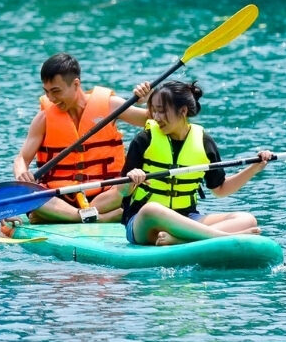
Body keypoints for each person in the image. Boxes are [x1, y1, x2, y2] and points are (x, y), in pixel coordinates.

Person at [108, 80, 274, 246]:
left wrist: (255, 168)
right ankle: (221, 237)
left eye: (162, 111)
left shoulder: (204, 142)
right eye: (154, 111)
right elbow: (122, 191)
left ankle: (179, 240)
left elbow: (220, 189)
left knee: (247, 219)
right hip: (145, 223)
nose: (156, 117)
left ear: (183, 111)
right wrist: (131, 179)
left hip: (187, 218)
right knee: (152, 209)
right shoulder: (144, 139)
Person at [10, 54, 151, 224]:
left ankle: (67, 217)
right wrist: (21, 174)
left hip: (106, 195)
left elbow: (152, 119)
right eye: (46, 92)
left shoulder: (110, 105)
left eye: (56, 91)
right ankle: (92, 217)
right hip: (61, 198)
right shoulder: (44, 119)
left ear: (76, 84)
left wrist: (148, 99)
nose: (51, 99)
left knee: (129, 188)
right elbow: (22, 158)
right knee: (27, 195)